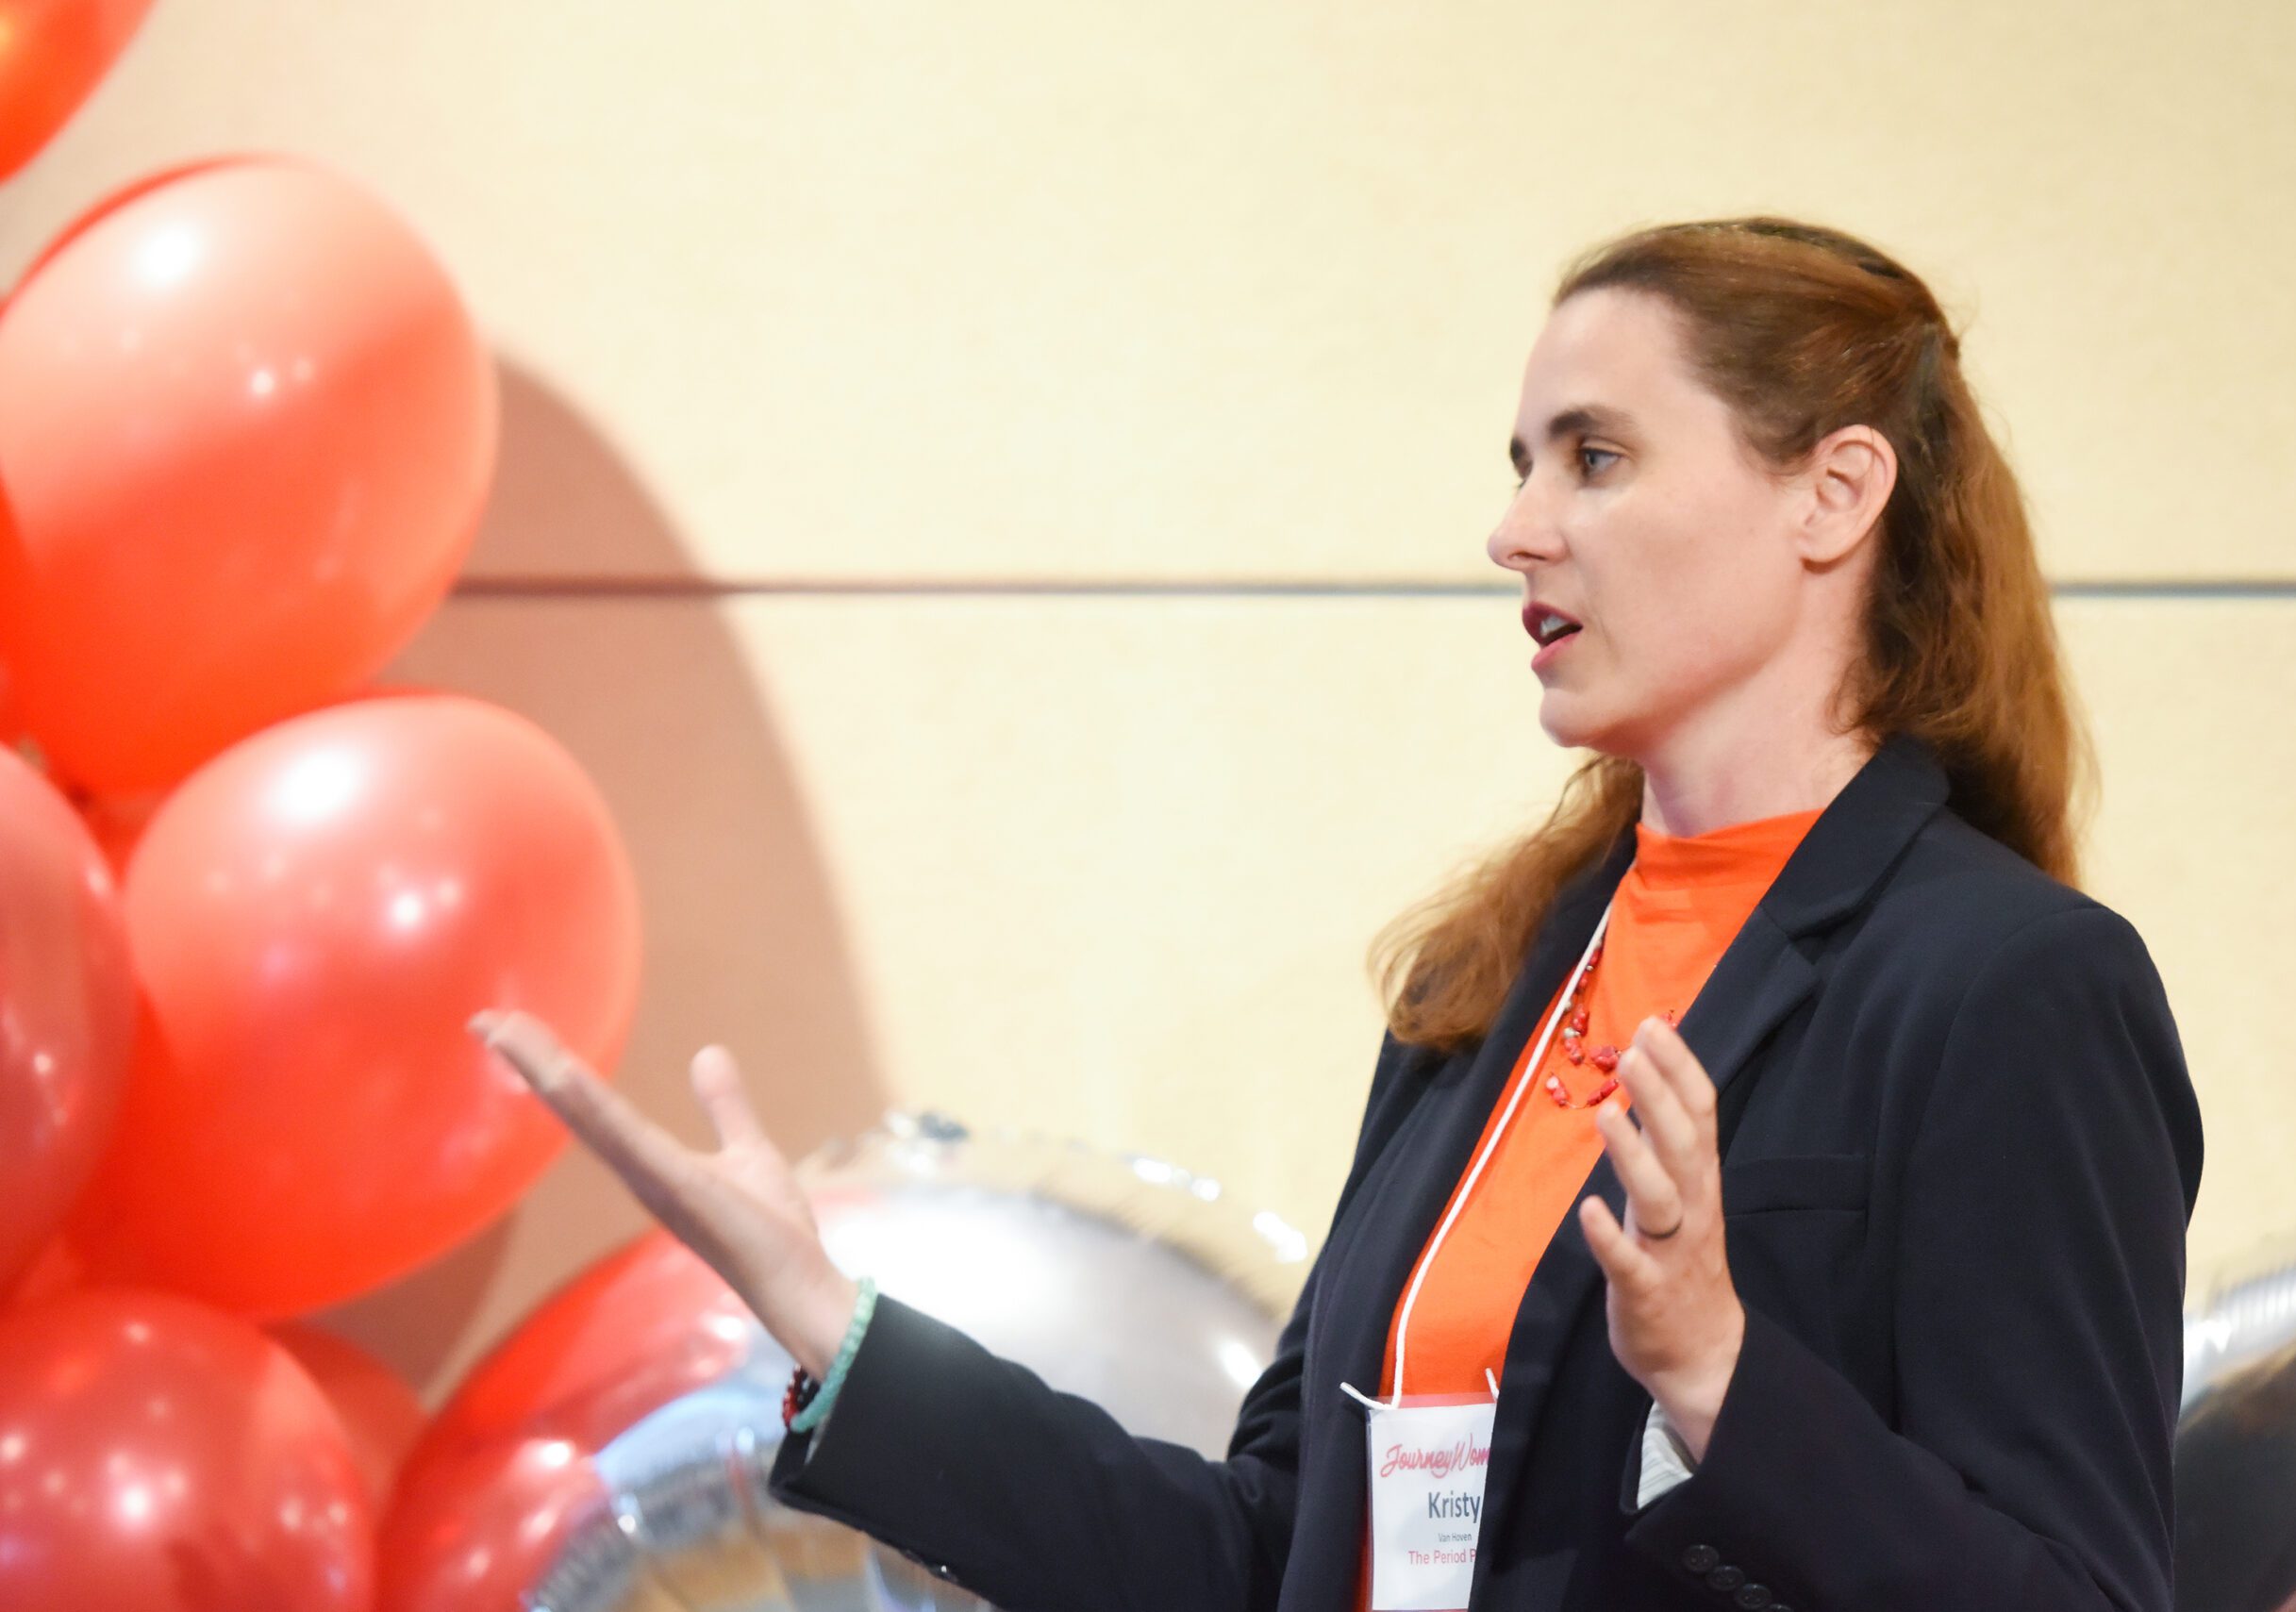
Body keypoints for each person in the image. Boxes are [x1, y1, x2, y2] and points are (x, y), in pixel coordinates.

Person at [473, 215, 2203, 1612]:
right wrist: (830, 1323)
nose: (1517, 527)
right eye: (1524, 460)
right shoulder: (1501, 980)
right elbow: (1264, 1551)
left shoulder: (2013, 987)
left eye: (1594, 457)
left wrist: (1725, 1379)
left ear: (1834, 494)